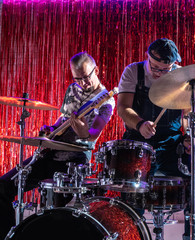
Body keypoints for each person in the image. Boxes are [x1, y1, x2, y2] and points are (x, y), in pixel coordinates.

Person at [0, 51, 115, 239]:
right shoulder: (72, 89)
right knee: (3, 187)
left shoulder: (106, 100)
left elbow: (92, 135)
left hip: (74, 161)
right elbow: (62, 120)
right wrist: (50, 129)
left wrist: (84, 132)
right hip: (50, 153)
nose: (83, 83)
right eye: (78, 79)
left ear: (97, 70)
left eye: (86, 77)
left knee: (55, 215)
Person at [117, 38, 195, 240]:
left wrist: (187, 137)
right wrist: (140, 124)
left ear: (173, 64)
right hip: (138, 140)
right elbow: (123, 108)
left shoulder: (182, 77)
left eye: (164, 69)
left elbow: (186, 115)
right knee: (132, 195)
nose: (158, 73)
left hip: (172, 142)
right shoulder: (133, 71)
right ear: (147, 56)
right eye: (155, 67)